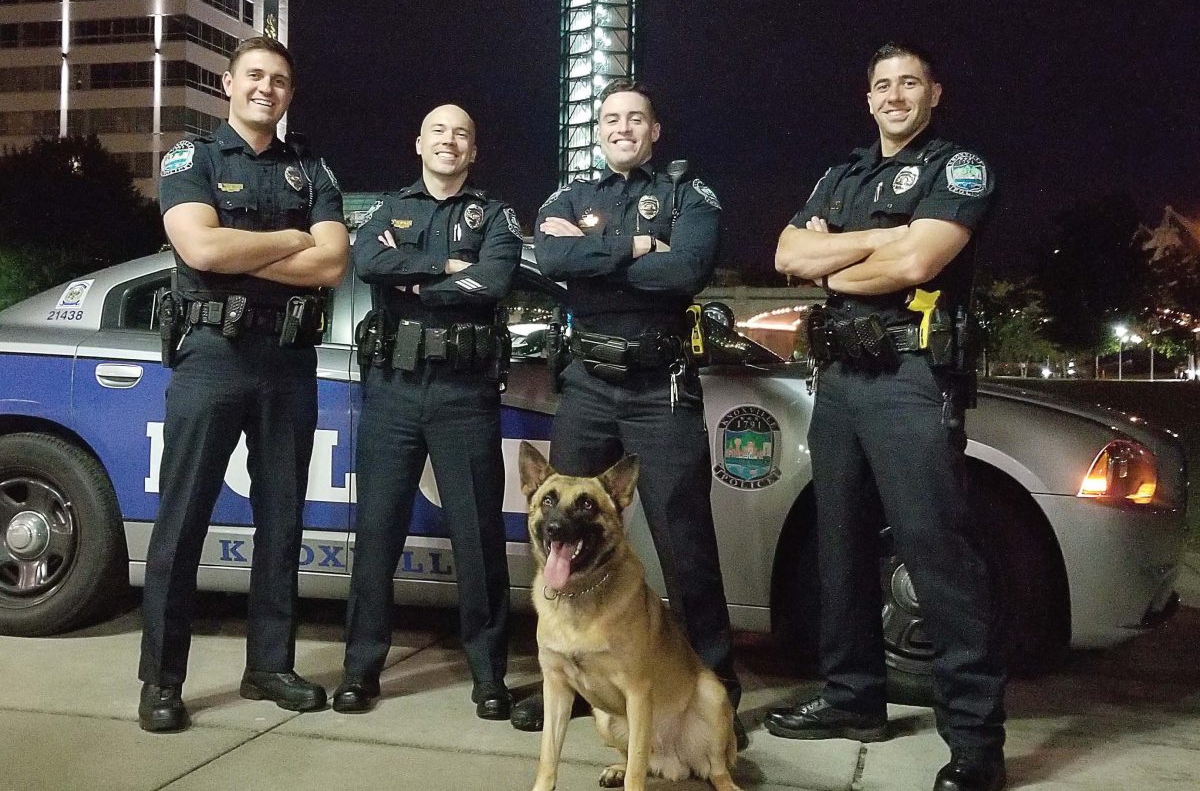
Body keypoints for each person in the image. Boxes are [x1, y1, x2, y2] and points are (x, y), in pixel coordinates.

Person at [767, 42, 1006, 791]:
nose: (895, 95)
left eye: (909, 83)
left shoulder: (958, 168)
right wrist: (881, 240)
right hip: (839, 378)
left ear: (935, 92)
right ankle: (853, 699)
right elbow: (785, 255)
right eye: (882, 86)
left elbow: (916, 266)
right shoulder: (841, 174)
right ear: (867, 98)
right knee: (838, 549)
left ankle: (975, 743)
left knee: (938, 558)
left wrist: (837, 254)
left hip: (910, 376)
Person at [521, 79, 745, 748]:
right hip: (587, 382)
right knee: (560, 531)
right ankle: (564, 674)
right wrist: (641, 246)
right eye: (611, 118)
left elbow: (687, 273)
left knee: (686, 545)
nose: (622, 127)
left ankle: (716, 685)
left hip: (659, 386)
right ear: (600, 130)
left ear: (655, 131)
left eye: (635, 118)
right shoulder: (566, 196)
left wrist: (600, 258)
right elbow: (553, 258)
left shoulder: (689, 195)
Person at [138, 36, 349, 732]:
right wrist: (292, 239)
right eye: (254, 75)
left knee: (283, 520)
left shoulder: (311, 169)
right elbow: (198, 248)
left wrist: (244, 247)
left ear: (290, 93)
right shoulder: (190, 157)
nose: (266, 88)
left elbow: (331, 267)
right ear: (228, 83)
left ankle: (269, 666)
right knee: (183, 520)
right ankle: (162, 681)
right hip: (212, 356)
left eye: (280, 79)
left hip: (287, 362)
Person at [334, 105, 520, 720]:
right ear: (419, 143)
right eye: (438, 131)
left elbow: (492, 282)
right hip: (392, 388)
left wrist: (412, 275)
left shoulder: (495, 217)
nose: (450, 141)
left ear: (474, 150)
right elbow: (368, 264)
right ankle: (361, 670)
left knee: (478, 537)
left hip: (465, 393)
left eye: (462, 133)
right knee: (378, 533)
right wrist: (445, 267)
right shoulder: (388, 210)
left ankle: (489, 676)